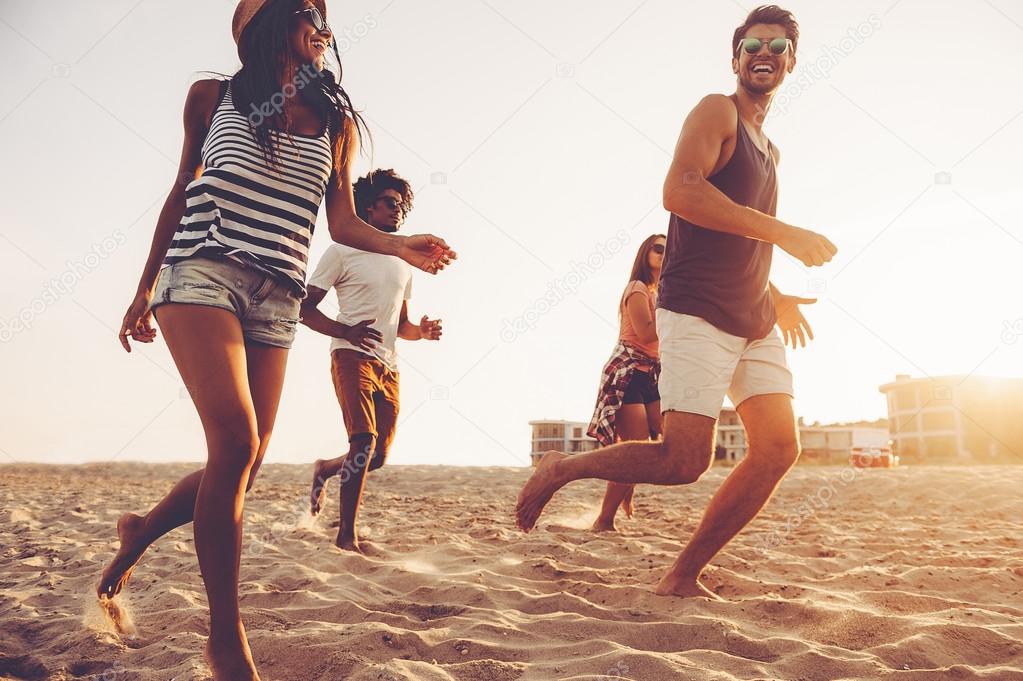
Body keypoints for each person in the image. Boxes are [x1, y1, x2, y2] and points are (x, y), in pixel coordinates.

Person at [100, 2, 455, 679]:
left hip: (279, 295)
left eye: (327, 21)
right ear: (268, 23)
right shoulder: (214, 96)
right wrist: (143, 287)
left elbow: (344, 221)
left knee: (245, 463)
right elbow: (181, 190)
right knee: (234, 442)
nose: (322, 29)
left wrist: (400, 245)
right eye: (309, 15)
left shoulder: (336, 121)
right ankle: (225, 640)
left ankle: (139, 531)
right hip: (200, 270)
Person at [516, 4, 836, 600]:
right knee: (685, 460)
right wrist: (785, 233)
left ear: (792, 61)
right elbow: (680, 190)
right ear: (735, 56)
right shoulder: (717, 112)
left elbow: (739, 233)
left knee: (777, 448)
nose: (764, 54)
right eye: (753, 45)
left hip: (754, 313)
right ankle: (563, 469)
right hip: (696, 308)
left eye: (777, 46)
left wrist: (777, 291)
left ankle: (682, 574)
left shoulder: (772, 150)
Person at [303, 169, 442, 553]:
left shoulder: (401, 260)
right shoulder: (341, 251)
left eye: (401, 205)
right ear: (367, 206)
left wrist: (422, 331)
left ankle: (325, 469)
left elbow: (402, 326)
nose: (398, 211)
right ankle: (347, 535)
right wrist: (344, 331)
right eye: (390, 203)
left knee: (376, 456)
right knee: (362, 441)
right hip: (350, 355)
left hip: (389, 364)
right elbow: (305, 308)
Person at [587, 234, 666, 532]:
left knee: (668, 436)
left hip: (652, 373)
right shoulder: (637, 288)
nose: (664, 253)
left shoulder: (661, 292)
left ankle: (627, 485)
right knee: (636, 449)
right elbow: (646, 334)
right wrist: (672, 309)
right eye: (658, 249)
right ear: (645, 254)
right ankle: (604, 520)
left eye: (669, 249)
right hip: (627, 370)